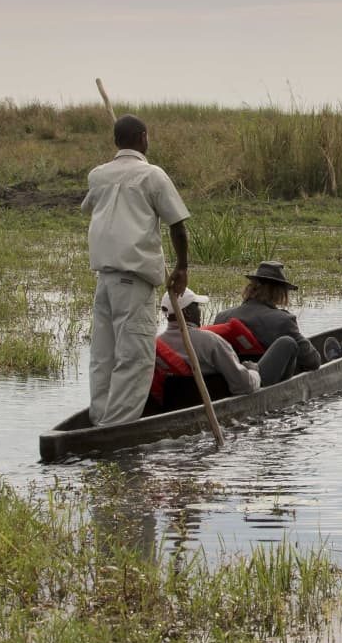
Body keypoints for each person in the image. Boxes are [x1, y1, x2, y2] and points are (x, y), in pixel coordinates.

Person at [81, 113, 189, 427]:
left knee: (104, 355)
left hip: (105, 280)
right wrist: (182, 267)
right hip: (132, 280)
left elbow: (89, 206)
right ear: (142, 137)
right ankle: (115, 429)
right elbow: (178, 226)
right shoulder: (152, 175)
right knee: (135, 358)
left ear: (117, 141)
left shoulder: (98, 175)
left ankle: (100, 417)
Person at [153, 287, 298, 408]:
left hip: (182, 402)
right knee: (287, 343)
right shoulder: (210, 341)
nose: (200, 311)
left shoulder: (157, 343)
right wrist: (253, 371)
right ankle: (283, 402)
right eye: (196, 307)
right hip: (222, 397)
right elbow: (243, 386)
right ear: (187, 312)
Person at [212, 261, 322, 381]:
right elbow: (313, 361)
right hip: (261, 382)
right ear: (279, 292)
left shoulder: (221, 317)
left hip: (227, 382)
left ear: (251, 288)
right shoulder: (283, 320)